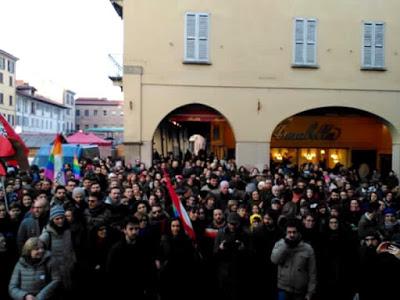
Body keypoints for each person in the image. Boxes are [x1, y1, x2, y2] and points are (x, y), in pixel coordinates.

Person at [106, 217, 155, 299]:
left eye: (136, 229)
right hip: (123, 290)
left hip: (140, 289)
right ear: (124, 230)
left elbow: (149, 267)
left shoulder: (144, 246)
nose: (134, 232)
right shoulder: (116, 249)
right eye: (131, 229)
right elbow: (111, 272)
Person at [271, 219, 317, 300]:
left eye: (294, 232)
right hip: (283, 287)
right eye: (289, 232)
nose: (291, 235)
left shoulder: (307, 248)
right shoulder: (279, 244)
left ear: (298, 232)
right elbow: (274, 260)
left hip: (300, 290)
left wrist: (310, 292)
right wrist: (285, 244)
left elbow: (312, 272)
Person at [40, 205, 76, 296]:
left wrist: (73, 260)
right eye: (57, 219)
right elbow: (39, 251)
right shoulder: (47, 234)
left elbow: (71, 248)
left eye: (62, 218)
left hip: (68, 268)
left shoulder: (67, 230)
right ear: (52, 219)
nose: (60, 221)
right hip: (54, 271)